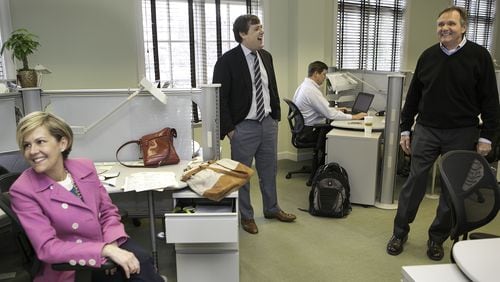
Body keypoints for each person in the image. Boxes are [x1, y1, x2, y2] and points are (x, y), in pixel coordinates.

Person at [386, 6, 499, 261]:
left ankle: (437, 238)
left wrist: (487, 137)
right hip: (426, 129)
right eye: (440, 25)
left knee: (451, 191)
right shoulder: (427, 56)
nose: (444, 28)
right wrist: (405, 128)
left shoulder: (479, 56)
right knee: (413, 184)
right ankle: (399, 232)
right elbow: (413, 97)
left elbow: (491, 101)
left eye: (451, 24)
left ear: (463, 27)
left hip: (462, 132)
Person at [9, 111, 164, 282]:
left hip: (104, 246)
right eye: (26, 145)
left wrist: (111, 242)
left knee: (143, 262)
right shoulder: (23, 190)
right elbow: (48, 248)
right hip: (74, 266)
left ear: (62, 143)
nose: (32, 151)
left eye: (40, 142)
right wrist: (104, 250)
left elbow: (108, 212)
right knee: (138, 273)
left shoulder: (84, 167)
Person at [212, 14, 296, 235]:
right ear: (242, 33)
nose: (262, 32)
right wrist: (229, 129)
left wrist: (275, 116)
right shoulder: (227, 60)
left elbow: (272, 88)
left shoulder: (266, 56)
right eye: (257, 29)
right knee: (242, 175)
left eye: (262, 28)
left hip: (268, 124)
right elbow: (220, 98)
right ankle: (247, 216)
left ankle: (271, 208)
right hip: (243, 127)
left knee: (270, 170)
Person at [293, 60, 367, 143]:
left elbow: (320, 109)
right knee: (342, 132)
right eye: (324, 74)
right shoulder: (311, 91)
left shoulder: (303, 86)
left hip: (303, 129)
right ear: (316, 74)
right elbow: (330, 114)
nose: (325, 77)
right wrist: (354, 117)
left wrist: (335, 110)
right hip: (311, 132)